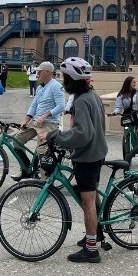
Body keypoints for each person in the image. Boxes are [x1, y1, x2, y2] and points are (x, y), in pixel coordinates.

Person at [39, 57, 107, 264]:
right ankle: (98, 232)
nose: (63, 81)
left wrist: (55, 136)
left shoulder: (81, 101)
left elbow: (83, 134)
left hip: (88, 156)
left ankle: (91, 249)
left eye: (65, 77)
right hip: (96, 152)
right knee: (91, 196)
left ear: (73, 79)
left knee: (87, 202)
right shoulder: (91, 95)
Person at [11, 61, 65, 180]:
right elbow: (34, 105)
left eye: (39, 71)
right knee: (17, 141)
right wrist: (26, 119)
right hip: (36, 122)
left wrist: (46, 115)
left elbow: (61, 106)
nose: (37, 73)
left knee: (42, 150)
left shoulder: (56, 86)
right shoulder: (40, 87)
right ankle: (25, 169)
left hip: (49, 123)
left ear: (47, 72)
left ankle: (45, 180)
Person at [109, 75, 138, 150]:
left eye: (135, 82)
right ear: (128, 83)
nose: (135, 84)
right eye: (133, 82)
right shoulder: (121, 95)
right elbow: (118, 106)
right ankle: (127, 153)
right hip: (128, 116)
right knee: (127, 133)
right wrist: (114, 112)